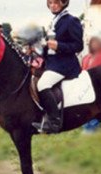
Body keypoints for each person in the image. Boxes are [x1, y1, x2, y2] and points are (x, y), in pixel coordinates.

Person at [32, 0, 84, 133]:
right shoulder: (54, 21)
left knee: (42, 84)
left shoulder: (71, 20)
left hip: (65, 64)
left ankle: (54, 122)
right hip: (52, 63)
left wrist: (59, 46)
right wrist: (34, 51)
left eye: (56, 2)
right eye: (50, 3)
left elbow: (78, 46)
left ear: (63, 3)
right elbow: (48, 47)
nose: (53, 5)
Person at [82, 37, 101, 134]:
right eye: (91, 43)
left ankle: (92, 125)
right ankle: (88, 124)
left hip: (100, 86)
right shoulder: (86, 57)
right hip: (86, 86)